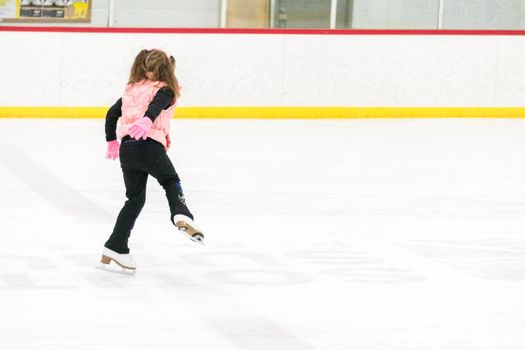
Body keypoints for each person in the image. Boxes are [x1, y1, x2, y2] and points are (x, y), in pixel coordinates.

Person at [101, 49, 204, 271]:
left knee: (134, 200)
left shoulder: (131, 90)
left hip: (128, 149)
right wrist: (148, 121)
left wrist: (112, 141)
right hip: (148, 145)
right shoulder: (166, 89)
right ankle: (181, 213)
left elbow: (111, 114)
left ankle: (116, 246)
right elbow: (156, 105)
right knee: (170, 180)